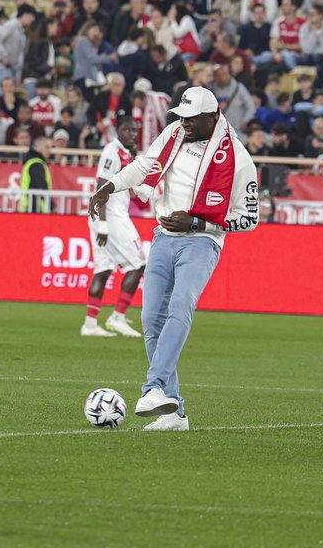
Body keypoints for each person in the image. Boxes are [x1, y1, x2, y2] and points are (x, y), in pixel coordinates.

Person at [88, 87, 258, 431]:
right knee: (151, 319)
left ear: (213, 117)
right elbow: (145, 165)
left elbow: (249, 218)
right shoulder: (175, 133)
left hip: (202, 241)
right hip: (164, 236)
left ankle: (153, 387)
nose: (184, 124)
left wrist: (197, 221)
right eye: (180, 117)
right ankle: (174, 413)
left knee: (180, 306)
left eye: (191, 118)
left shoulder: (240, 160)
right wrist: (111, 186)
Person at [82, 115, 146, 339]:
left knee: (103, 268)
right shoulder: (112, 150)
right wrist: (104, 224)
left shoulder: (127, 153)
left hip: (108, 215)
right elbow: (101, 188)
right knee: (139, 264)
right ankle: (117, 317)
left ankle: (90, 324)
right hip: (110, 215)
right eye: (128, 130)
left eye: (135, 131)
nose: (132, 135)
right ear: (118, 130)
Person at [19, 135, 52, 214]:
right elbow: (40, 185)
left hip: (29, 208)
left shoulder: (31, 162)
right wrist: (51, 205)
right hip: (36, 209)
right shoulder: (36, 163)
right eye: (46, 147)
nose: (49, 150)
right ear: (37, 148)